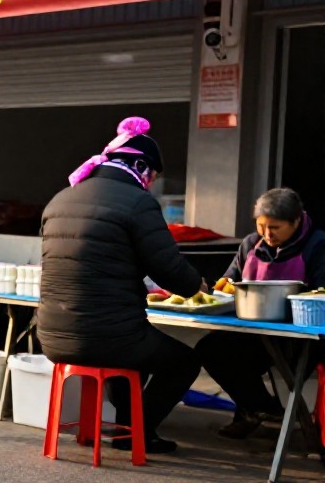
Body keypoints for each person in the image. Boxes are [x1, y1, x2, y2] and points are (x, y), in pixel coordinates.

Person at [39, 116, 203, 454]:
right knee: (183, 360)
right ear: (141, 166)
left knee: (128, 347)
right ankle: (138, 431)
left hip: (52, 334)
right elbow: (170, 269)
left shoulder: (60, 199)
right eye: (153, 175)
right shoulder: (137, 202)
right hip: (108, 335)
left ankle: (129, 429)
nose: (152, 183)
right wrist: (196, 284)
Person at [198, 187, 325, 438]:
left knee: (279, 363)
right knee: (210, 348)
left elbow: (321, 293)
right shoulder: (250, 244)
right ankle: (262, 409)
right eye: (261, 226)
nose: (267, 234)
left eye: (275, 228)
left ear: (296, 221)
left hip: (301, 335)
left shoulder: (317, 244)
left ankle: (254, 412)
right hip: (253, 329)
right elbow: (227, 282)